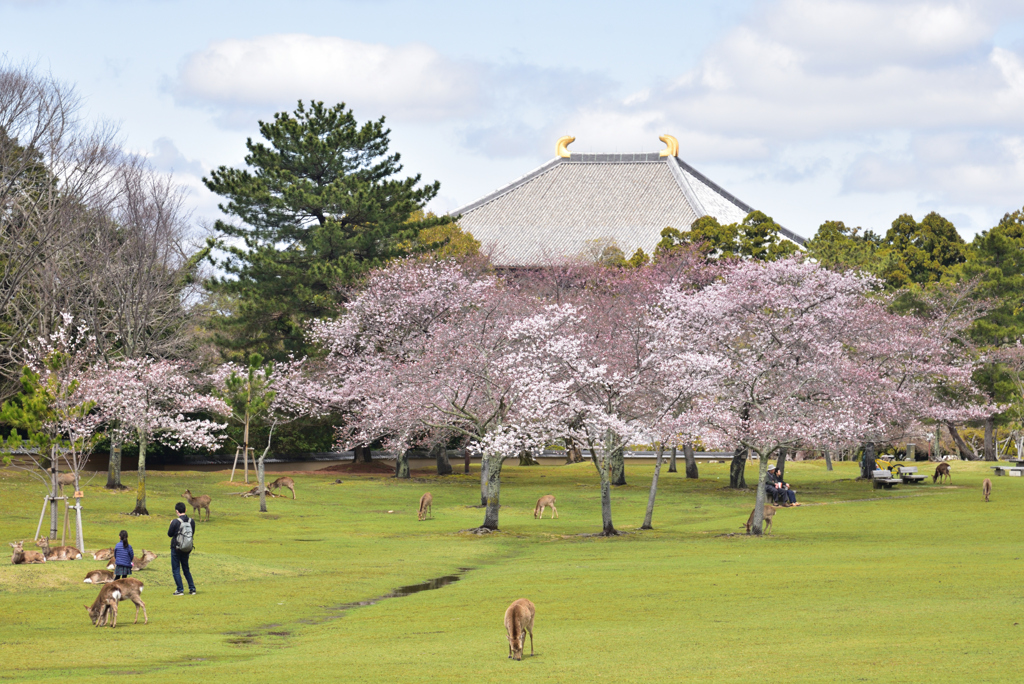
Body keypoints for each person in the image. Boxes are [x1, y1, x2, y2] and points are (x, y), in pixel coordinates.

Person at [167, 502, 197, 596]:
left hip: (176, 548)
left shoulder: (176, 522)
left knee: (176, 569)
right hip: (187, 548)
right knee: (186, 569)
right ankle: (192, 588)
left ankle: (180, 589)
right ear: (185, 510)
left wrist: (171, 524)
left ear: (177, 511)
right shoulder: (191, 521)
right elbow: (192, 533)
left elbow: (170, 534)